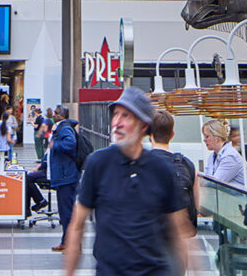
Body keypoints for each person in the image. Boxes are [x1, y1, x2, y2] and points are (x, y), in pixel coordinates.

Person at [64, 87, 187, 276]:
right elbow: (77, 224)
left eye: (126, 116)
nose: (117, 123)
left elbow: (177, 232)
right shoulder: (98, 163)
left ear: (143, 126)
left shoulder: (161, 169)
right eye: (116, 115)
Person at [149, 109, 199, 237]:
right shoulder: (187, 164)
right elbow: (195, 206)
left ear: (150, 134)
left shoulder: (140, 163)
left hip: (150, 241)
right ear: (172, 135)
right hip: (180, 241)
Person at [48, 105, 80, 253]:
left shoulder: (65, 128)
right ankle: (65, 241)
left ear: (62, 116)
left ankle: (73, 245)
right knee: (64, 212)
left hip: (66, 176)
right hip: (64, 176)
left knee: (67, 213)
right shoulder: (60, 128)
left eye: (56, 113)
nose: (54, 115)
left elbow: (70, 144)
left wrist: (55, 144)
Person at [202, 118, 247, 189]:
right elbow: (207, 179)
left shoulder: (230, 156)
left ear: (217, 138)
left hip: (244, 198)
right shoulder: (212, 156)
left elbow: (215, 182)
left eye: (207, 136)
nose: (204, 140)